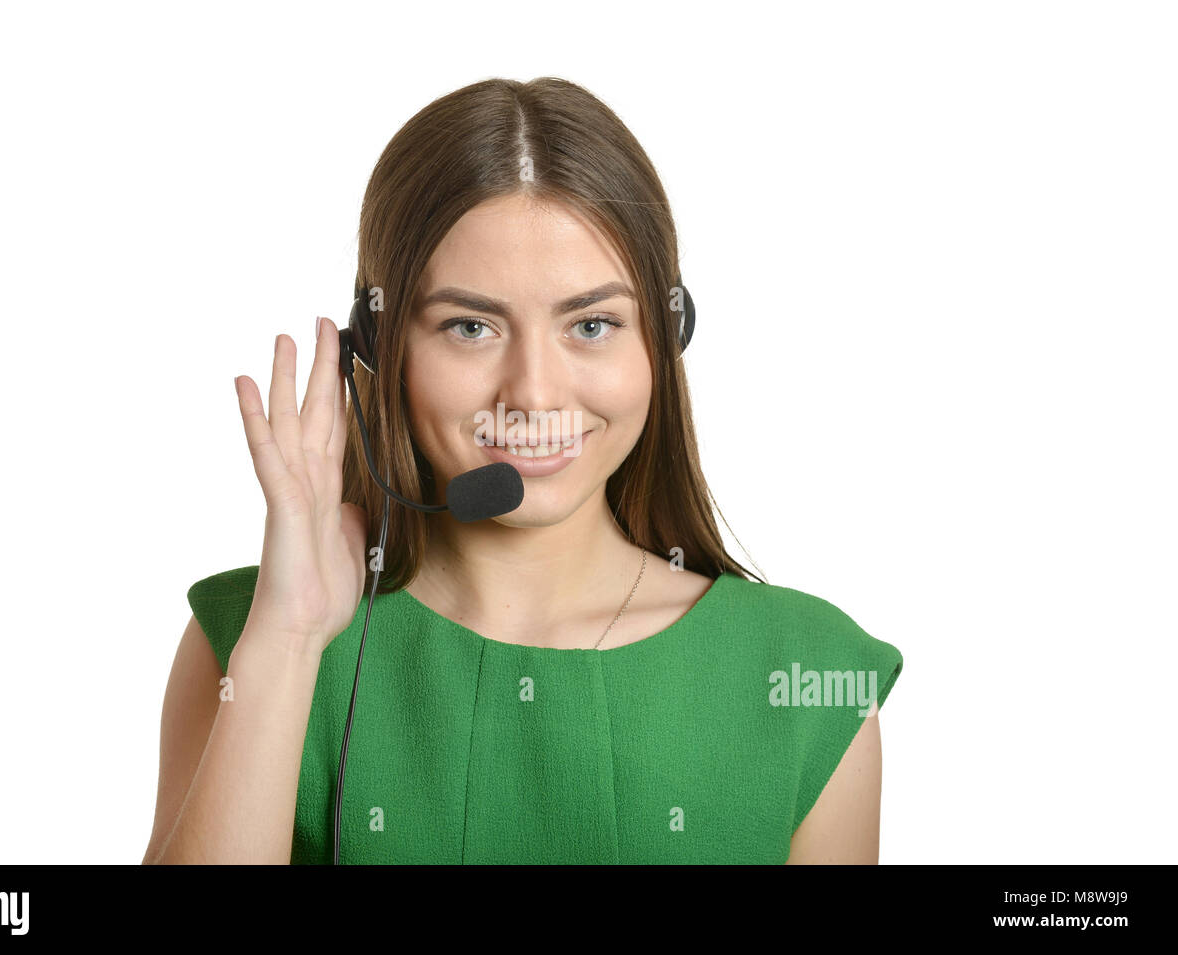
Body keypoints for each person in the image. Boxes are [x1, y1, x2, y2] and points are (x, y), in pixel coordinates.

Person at [143, 77, 904, 865]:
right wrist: (289, 639)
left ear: (663, 337)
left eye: (592, 323)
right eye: (471, 326)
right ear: (379, 344)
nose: (535, 391)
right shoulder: (248, 638)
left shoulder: (807, 675)